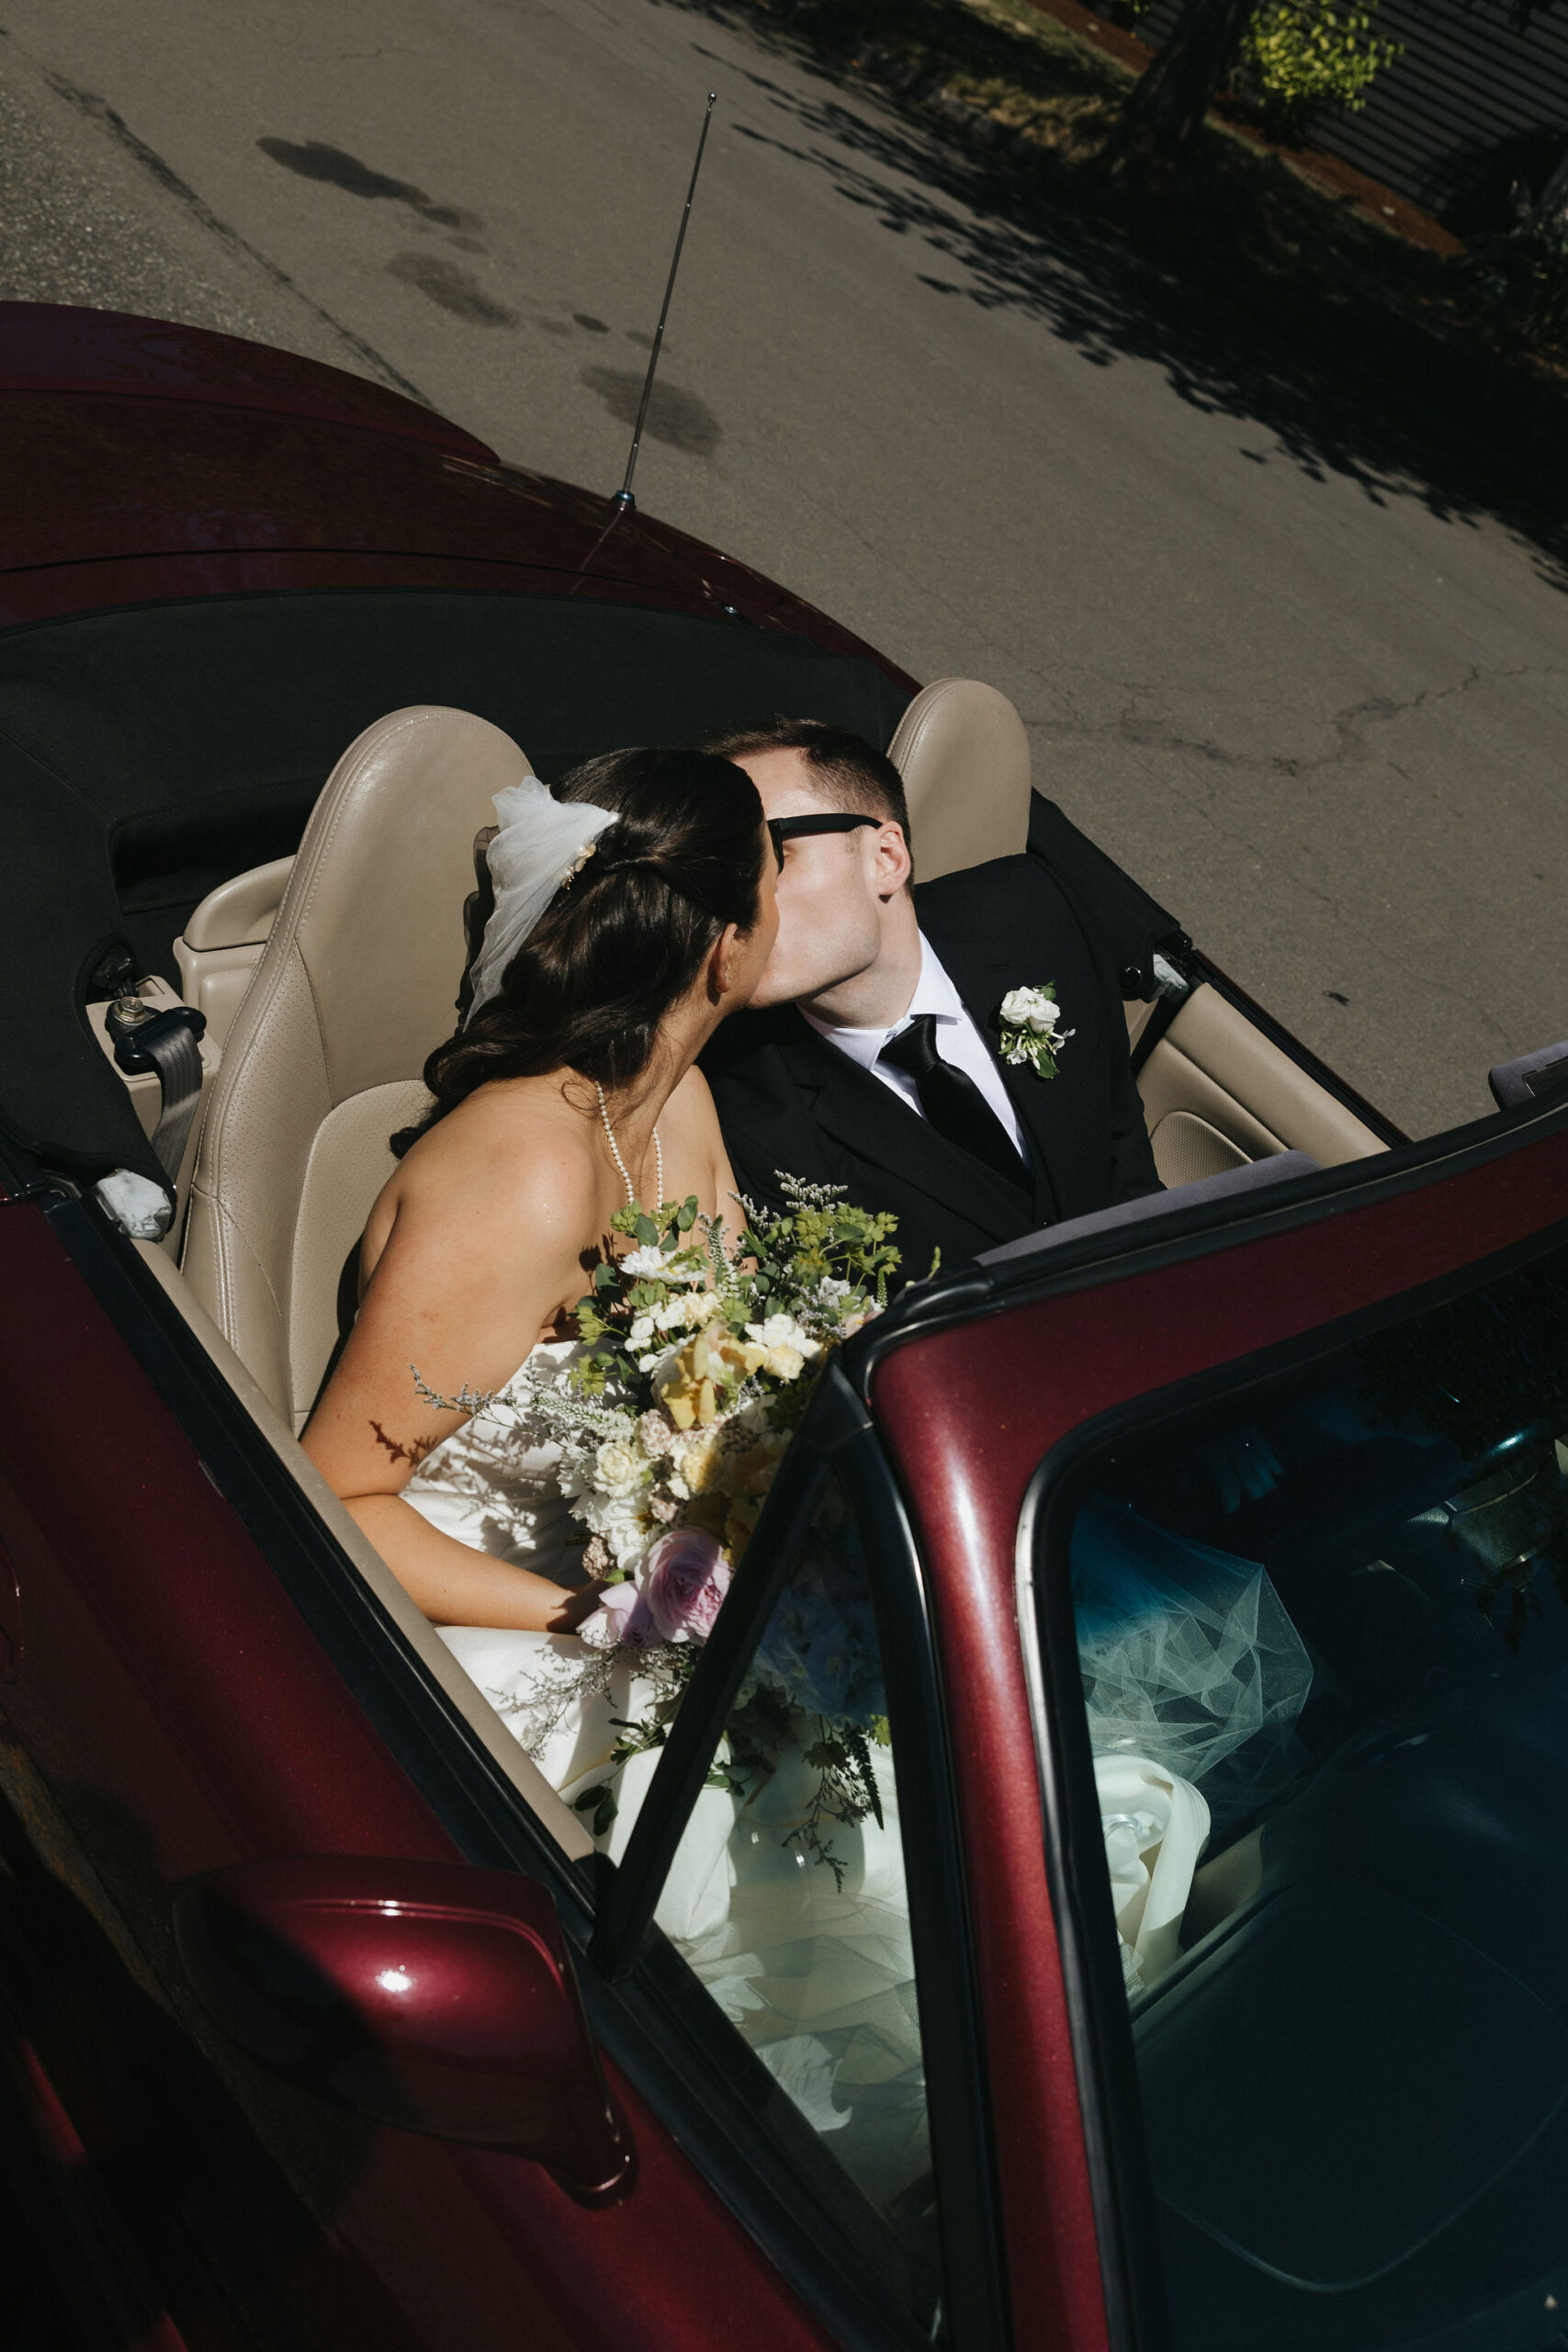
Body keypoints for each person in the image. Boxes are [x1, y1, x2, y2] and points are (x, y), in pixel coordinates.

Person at [301, 746, 777, 1683]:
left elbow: (753, 1364)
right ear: (726, 948)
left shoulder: (684, 1106)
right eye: (779, 877)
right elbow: (335, 1498)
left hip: (670, 1610)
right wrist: (609, 1620)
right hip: (465, 1643)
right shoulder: (524, 1178)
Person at [697, 718, 1160, 1277]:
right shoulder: (745, 1111)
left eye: (774, 857)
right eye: (714, 877)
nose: (735, 904)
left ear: (885, 858)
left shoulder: (1034, 913)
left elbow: (1120, 1145)